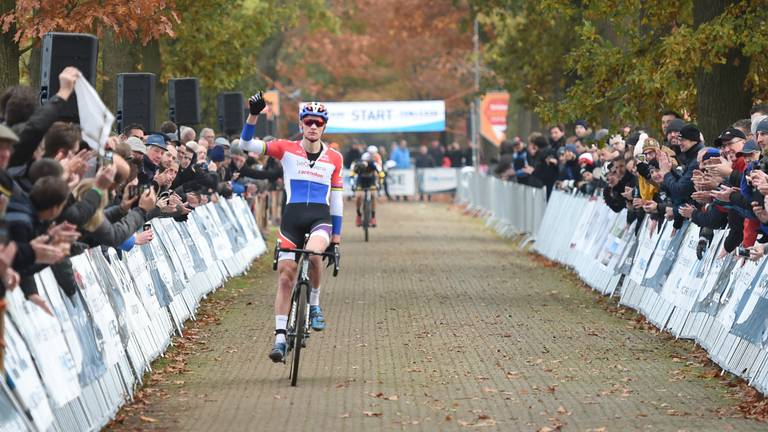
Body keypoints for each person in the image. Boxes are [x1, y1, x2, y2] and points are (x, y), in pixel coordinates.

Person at [240, 92, 343, 363]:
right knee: (286, 277)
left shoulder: (335, 158)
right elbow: (245, 144)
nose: (313, 126)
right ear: (300, 125)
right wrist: (253, 115)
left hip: (320, 219)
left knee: (313, 254)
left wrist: (337, 236)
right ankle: (280, 337)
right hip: (291, 221)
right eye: (308, 121)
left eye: (318, 123)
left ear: (324, 127)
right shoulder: (285, 148)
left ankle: (316, 305)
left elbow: (336, 198)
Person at [352, 152, 379, 227]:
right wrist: (353, 185)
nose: (366, 162)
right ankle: (358, 215)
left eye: (368, 161)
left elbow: (379, 173)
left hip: (371, 181)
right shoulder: (358, 164)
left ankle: (373, 217)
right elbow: (353, 174)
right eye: (364, 161)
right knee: (358, 196)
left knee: (373, 195)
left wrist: (379, 184)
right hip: (361, 181)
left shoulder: (373, 164)